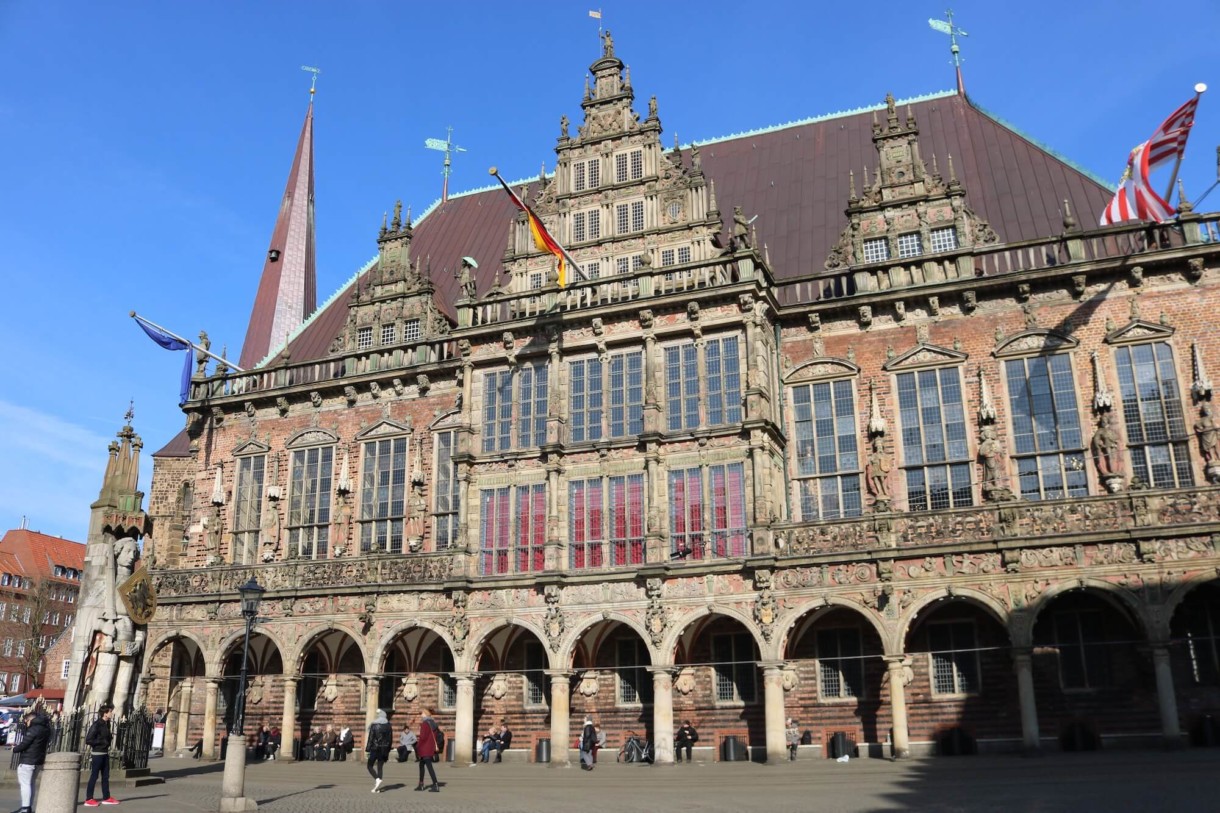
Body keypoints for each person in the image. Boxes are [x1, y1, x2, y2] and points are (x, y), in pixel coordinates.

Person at [13, 706, 49, 813]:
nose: (26, 723)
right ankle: (28, 806)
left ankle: (25, 808)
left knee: (25, 784)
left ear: (30, 719)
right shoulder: (46, 729)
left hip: (28, 760)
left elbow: (25, 744)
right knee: (31, 783)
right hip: (38, 760)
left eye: (26, 721)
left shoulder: (33, 729)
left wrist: (15, 749)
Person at [83, 703, 119, 807]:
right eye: (110, 711)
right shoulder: (97, 724)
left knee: (106, 776)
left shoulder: (107, 724)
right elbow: (89, 739)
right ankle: (89, 798)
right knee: (94, 776)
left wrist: (107, 740)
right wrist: (102, 742)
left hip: (104, 753)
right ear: (105, 713)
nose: (112, 713)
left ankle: (106, 797)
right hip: (97, 753)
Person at [365, 709, 393, 793]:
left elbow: (371, 738)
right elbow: (390, 739)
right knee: (380, 767)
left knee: (369, 766)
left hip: (375, 748)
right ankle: (377, 787)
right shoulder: (388, 725)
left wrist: (368, 749)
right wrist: (388, 749)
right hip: (384, 749)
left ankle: (377, 779)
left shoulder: (374, 725)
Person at [415, 708, 440, 792]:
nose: (421, 715)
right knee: (421, 765)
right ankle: (421, 784)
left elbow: (423, 737)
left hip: (424, 748)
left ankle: (435, 784)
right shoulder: (433, 723)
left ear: (425, 714)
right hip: (430, 748)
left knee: (429, 767)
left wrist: (418, 746)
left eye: (421, 713)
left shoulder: (425, 724)